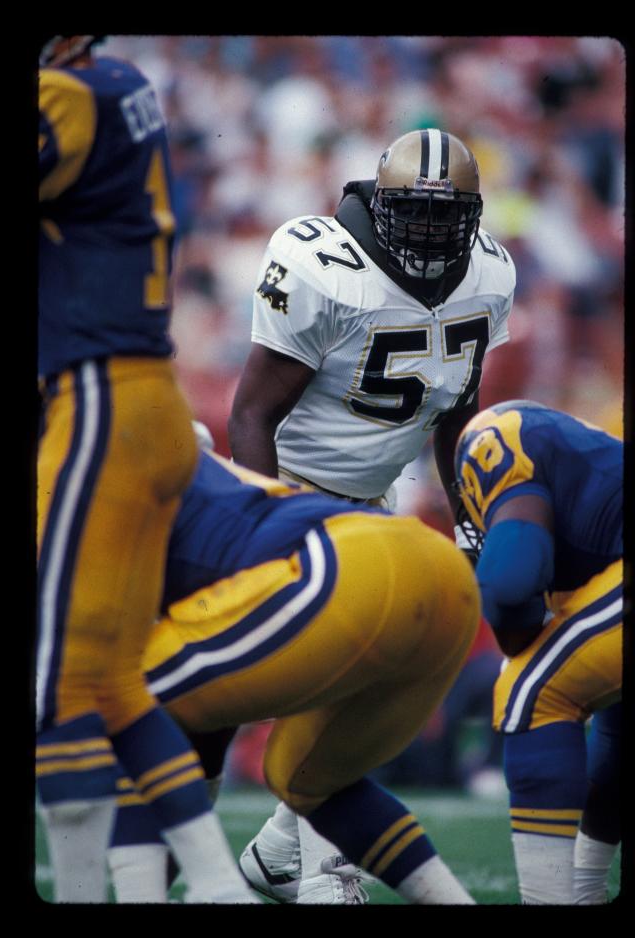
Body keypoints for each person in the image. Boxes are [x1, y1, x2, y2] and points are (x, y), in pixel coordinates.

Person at [227, 127, 516, 897]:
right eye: (412, 213)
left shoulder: (489, 271)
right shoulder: (327, 269)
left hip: (373, 502)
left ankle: (280, 851)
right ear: (378, 205)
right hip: (290, 487)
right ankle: (320, 866)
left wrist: (469, 514)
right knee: (332, 676)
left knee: (384, 679)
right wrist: (266, 527)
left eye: (443, 214)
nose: (426, 230)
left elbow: (460, 406)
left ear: (473, 215)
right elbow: (251, 415)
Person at [37, 36, 255, 903]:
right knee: (117, 685)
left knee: (62, 689)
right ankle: (217, 885)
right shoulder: (116, 83)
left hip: (99, 396)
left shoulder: (70, 95)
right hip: (146, 395)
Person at [106, 432, 481, 904]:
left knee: (129, 706)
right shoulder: (178, 467)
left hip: (348, 569)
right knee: (306, 779)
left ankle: (212, 889)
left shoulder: (92, 482)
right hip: (436, 568)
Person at [453, 400, 623, 904]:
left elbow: (508, 583)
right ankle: (587, 889)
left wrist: (517, 637)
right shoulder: (580, 467)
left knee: (532, 689)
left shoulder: (490, 443)